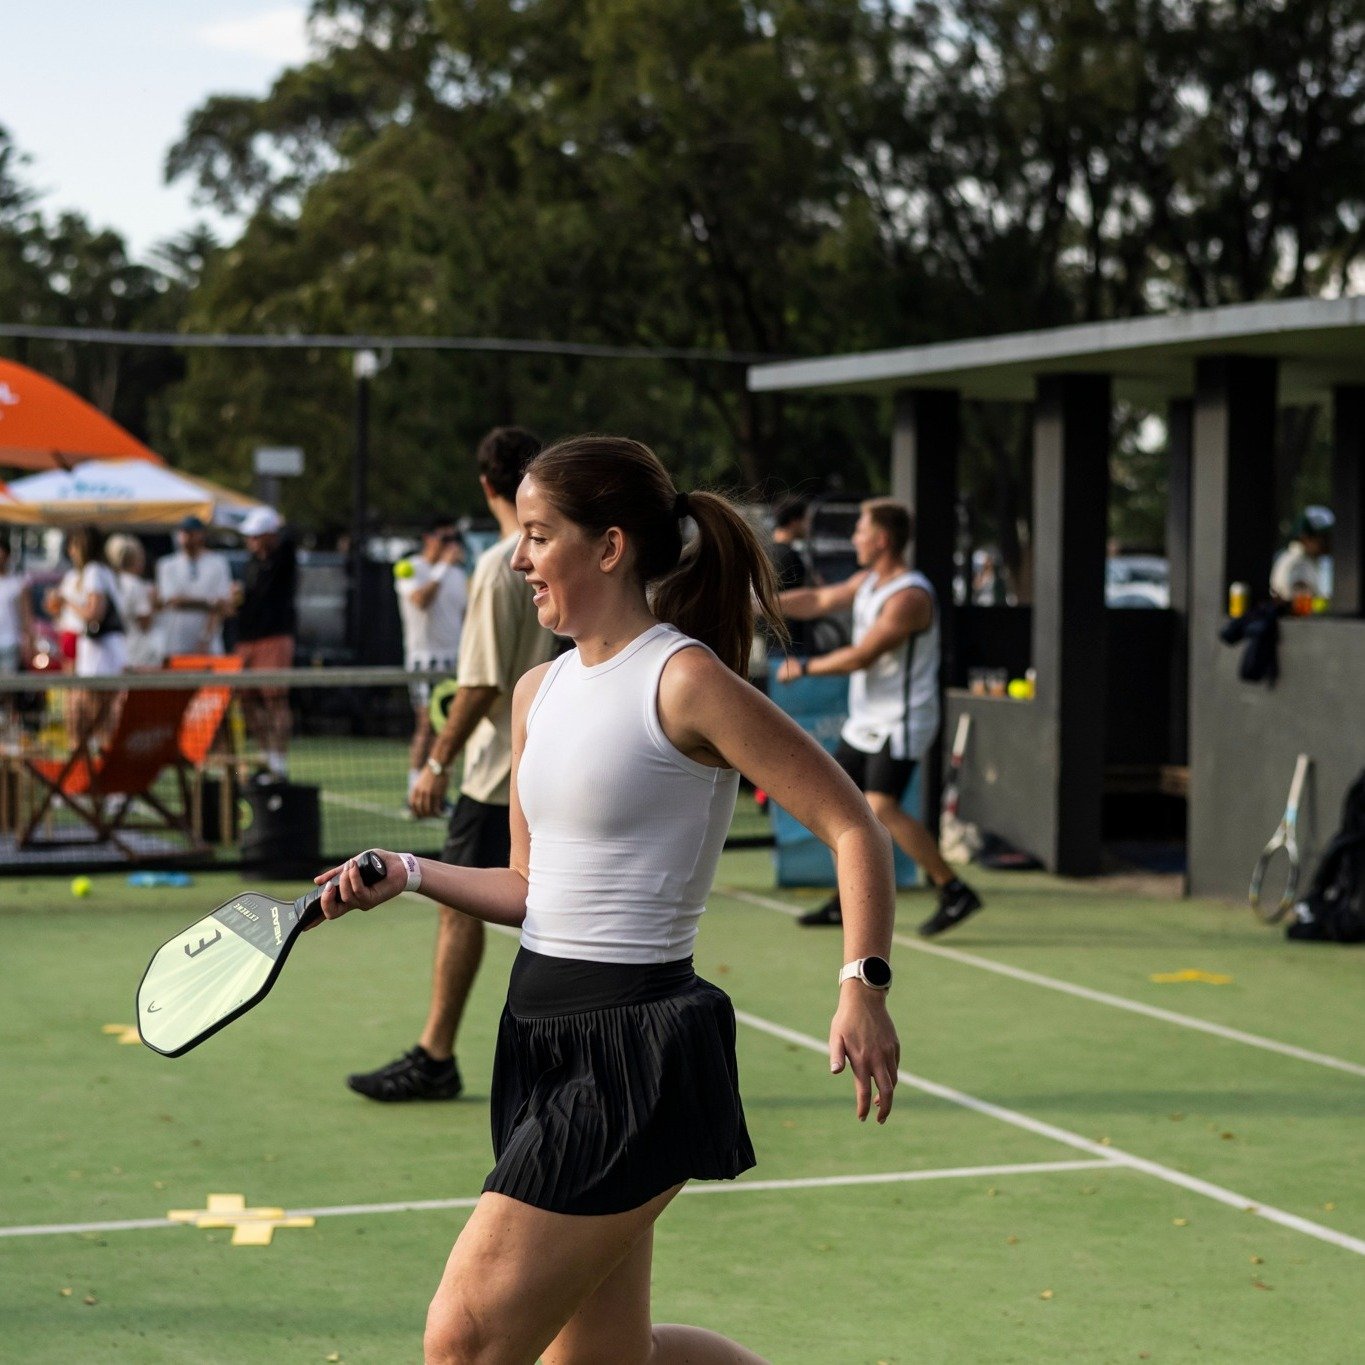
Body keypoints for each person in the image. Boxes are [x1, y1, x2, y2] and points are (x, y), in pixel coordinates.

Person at [316, 434, 899, 1364]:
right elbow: (529, 888)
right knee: (604, 1358)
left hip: (636, 1047)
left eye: (539, 534)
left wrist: (860, 983)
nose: (518, 558)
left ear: (609, 547)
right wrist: (411, 871)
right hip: (535, 1036)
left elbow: (851, 824)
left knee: (462, 1339)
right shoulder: (535, 692)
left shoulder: (685, 678)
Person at [347, 427, 556, 1102]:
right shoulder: (548, 557)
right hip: (542, 764)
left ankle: (436, 1055)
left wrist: (436, 762)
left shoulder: (499, 565)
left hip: (497, 775)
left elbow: (482, 683)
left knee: (462, 909)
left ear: (485, 484)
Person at [775, 497, 983, 937]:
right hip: (865, 719)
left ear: (882, 539)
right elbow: (818, 599)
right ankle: (846, 900)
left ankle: (953, 889)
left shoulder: (909, 596)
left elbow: (863, 656)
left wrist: (806, 667)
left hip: (901, 720)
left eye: (861, 531)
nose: (855, 539)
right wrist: (763, 604)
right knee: (833, 804)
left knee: (880, 806)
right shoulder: (868, 581)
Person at [396, 516, 469, 805]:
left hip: (453, 660)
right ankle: (414, 790)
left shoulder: (458, 575)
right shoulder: (411, 568)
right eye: (444, 538)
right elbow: (420, 600)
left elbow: (465, 617)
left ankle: (438, 791)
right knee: (426, 725)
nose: (451, 545)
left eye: (454, 539)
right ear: (428, 538)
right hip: (423, 661)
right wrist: (442, 567)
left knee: (449, 729)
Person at [232, 506, 296, 780]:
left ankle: (278, 761)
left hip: (274, 639)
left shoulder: (284, 559)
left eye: (257, 535)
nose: (252, 541)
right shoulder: (249, 565)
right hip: (246, 640)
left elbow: (291, 537)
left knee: (275, 699)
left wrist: (279, 524)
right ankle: (265, 756)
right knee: (247, 700)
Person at [154, 515, 234, 657]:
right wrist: (209, 602)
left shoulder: (218, 563)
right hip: (176, 641)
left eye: (191, 533)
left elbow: (222, 605)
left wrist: (206, 637)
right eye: (183, 532)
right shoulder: (166, 565)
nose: (187, 537)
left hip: (208, 644)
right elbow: (173, 601)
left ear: (201, 534)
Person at [106, 534, 163, 669]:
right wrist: (153, 603)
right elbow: (145, 623)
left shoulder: (111, 582)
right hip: (136, 651)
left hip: (115, 647)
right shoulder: (136, 585)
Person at [1271, 506, 1334, 607]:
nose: (1329, 543)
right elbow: (1300, 606)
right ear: (1305, 538)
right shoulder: (1298, 562)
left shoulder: (1312, 560)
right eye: (1324, 538)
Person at [0, 540, 29, 675]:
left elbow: (26, 615)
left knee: (9, 683)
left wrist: (28, 641)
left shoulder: (17, 582)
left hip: (10, 643)